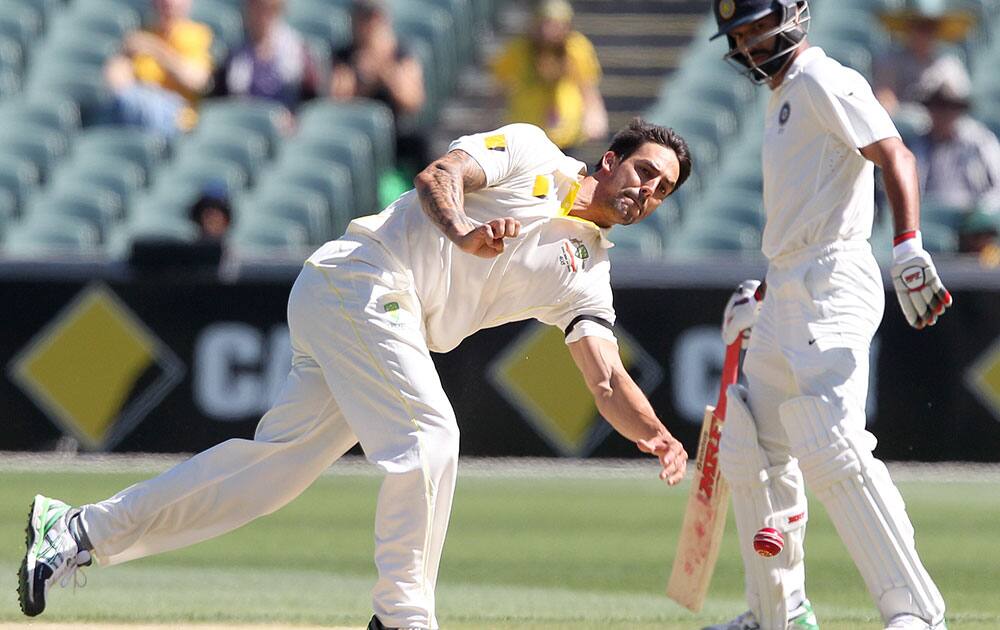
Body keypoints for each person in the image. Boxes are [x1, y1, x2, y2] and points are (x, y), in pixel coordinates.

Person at [17, 118, 692, 629]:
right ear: (611, 160)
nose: (648, 190)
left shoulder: (591, 273)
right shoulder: (534, 153)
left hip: (377, 321)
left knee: (269, 475)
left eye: (663, 188)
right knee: (430, 436)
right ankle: (402, 615)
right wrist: (460, 231)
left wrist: (657, 434)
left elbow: (606, 381)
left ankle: (77, 531)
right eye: (644, 171)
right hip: (362, 279)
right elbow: (437, 176)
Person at [705, 2, 952, 630]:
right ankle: (778, 614)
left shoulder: (822, 78)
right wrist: (767, 292)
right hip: (790, 284)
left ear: (790, 16)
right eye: (741, 36)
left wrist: (908, 246)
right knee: (749, 441)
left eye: (759, 28)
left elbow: (895, 153)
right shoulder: (781, 97)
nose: (753, 45)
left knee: (830, 444)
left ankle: (915, 612)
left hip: (834, 281)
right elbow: (800, 215)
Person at [492, 0, 609, 152]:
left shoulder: (576, 48)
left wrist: (595, 114)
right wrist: (492, 120)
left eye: (556, 25)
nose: (549, 32)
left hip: (565, 132)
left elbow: (587, 84)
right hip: (526, 131)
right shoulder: (518, 49)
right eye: (544, 24)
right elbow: (500, 86)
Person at [330, 0, 427, 169]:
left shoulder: (400, 52)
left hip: (396, 132)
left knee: (421, 142)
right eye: (363, 16)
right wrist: (365, 81)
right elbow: (339, 101)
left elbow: (413, 101)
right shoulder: (344, 55)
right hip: (358, 132)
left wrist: (383, 72)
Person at [103, 0, 214, 136]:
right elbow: (116, 83)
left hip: (178, 118)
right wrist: (123, 57)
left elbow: (197, 80)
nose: (168, 5)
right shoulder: (144, 34)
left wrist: (154, 50)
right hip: (138, 110)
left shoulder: (196, 35)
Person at [908, 58, 1000, 211]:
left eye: (950, 106)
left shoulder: (980, 142)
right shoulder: (917, 144)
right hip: (926, 220)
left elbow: (997, 188)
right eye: (937, 105)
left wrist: (978, 212)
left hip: (971, 223)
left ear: (959, 108)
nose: (943, 113)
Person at [212, 0, 319, 112]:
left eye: (269, 9)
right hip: (244, 120)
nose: (261, 16)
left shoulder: (298, 49)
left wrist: (295, 118)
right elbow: (221, 99)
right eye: (255, 9)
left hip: (285, 121)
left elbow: (311, 101)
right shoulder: (234, 50)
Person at [872, 0, 974, 118]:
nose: (924, 34)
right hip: (901, 129)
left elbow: (957, 108)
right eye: (919, 26)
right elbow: (885, 99)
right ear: (909, 28)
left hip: (939, 131)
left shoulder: (950, 66)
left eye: (930, 27)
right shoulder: (889, 61)